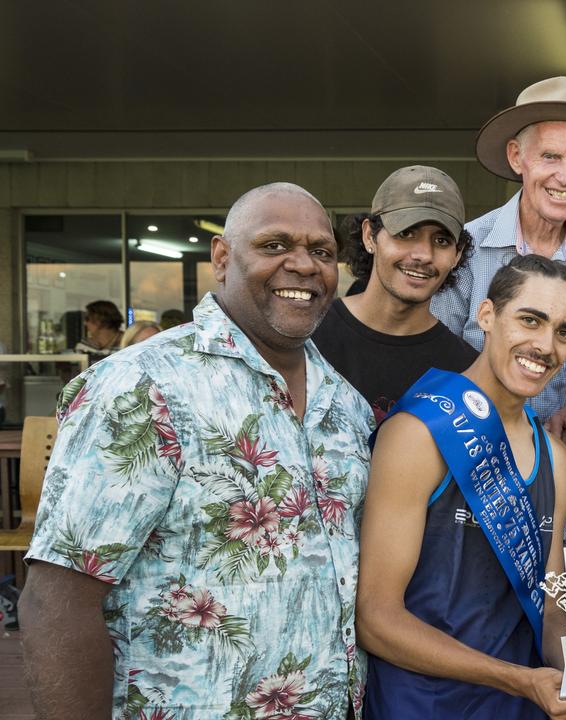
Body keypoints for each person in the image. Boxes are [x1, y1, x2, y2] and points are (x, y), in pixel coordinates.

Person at [20, 183, 375, 717]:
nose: (303, 265)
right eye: (275, 245)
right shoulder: (141, 387)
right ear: (221, 258)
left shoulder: (346, 406)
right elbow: (57, 602)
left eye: (322, 252)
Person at [357, 255, 566, 719]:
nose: (546, 345)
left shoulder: (555, 458)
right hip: (423, 705)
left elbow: (551, 607)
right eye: (530, 320)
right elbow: (376, 619)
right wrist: (519, 679)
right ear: (486, 316)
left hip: (521, 705)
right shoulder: (419, 433)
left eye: (564, 332)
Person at [432, 76, 566, 449]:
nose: (565, 176)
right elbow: (434, 361)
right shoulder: (467, 247)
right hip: (474, 458)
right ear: (517, 157)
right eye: (549, 156)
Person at [312, 165, 477, 420]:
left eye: (441, 241)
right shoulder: (309, 335)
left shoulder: (465, 372)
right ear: (370, 236)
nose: (423, 254)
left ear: (457, 254)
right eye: (406, 233)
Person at [75, 299, 124, 364]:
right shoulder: (84, 346)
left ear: (100, 320)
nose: (85, 323)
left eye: (87, 319)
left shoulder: (128, 343)